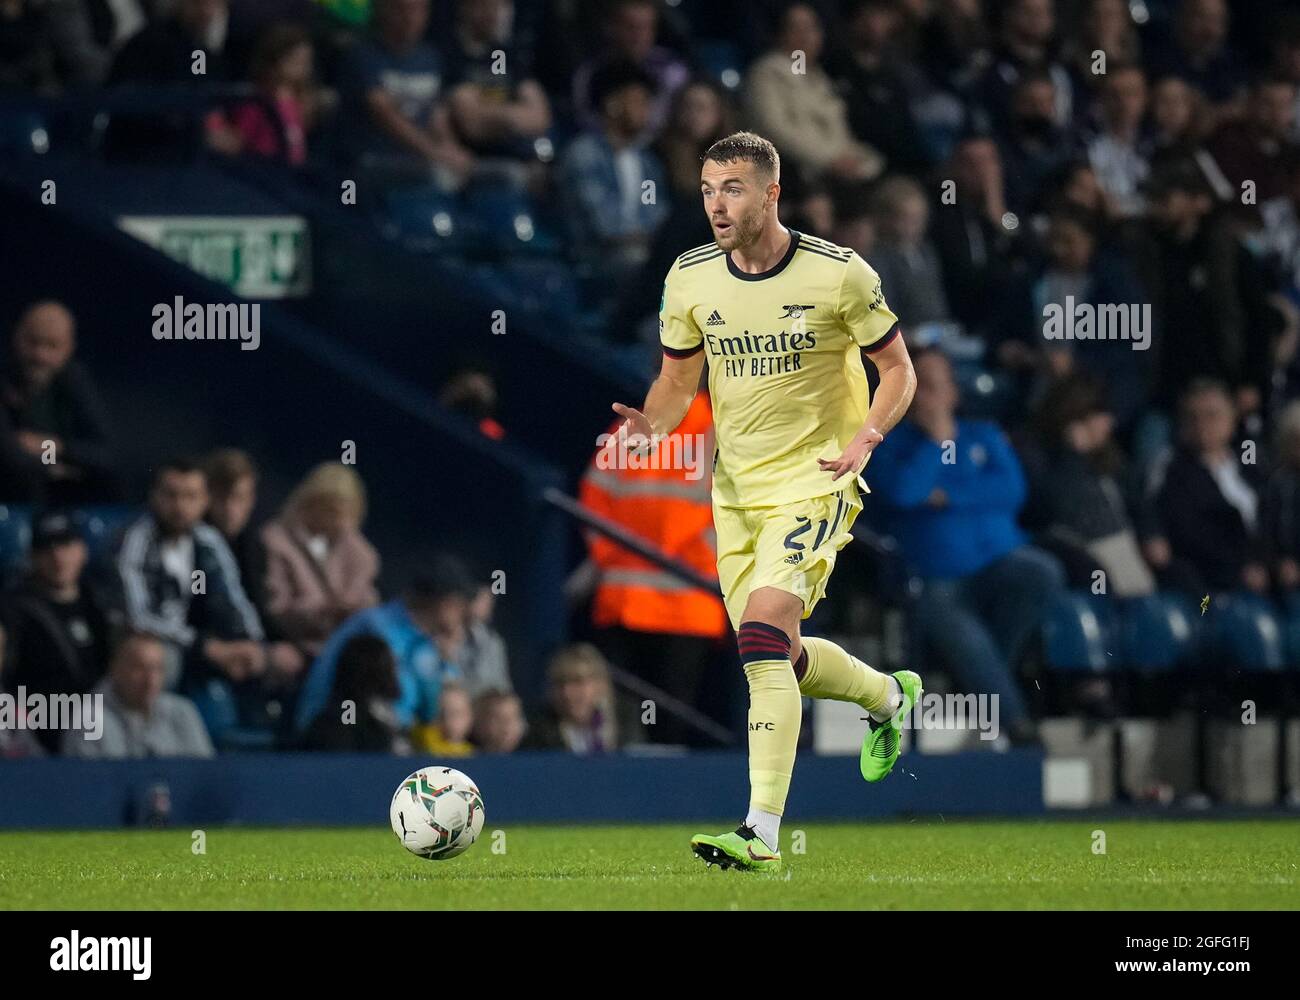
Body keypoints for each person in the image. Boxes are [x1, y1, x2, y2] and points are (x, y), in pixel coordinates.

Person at [609, 131, 919, 871]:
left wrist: (868, 436)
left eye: (734, 188)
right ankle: (886, 696)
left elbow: (899, 370)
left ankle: (761, 832)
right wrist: (653, 423)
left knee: (760, 639)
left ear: (771, 193)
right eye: (709, 188)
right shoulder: (688, 277)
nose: (717, 203)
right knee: (776, 651)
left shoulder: (840, 274)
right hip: (736, 491)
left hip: (818, 476)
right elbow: (679, 378)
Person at [868, 348, 1064, 747]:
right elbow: (905, 492)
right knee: (952, 619)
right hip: (933, 576)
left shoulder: (984, 435)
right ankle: (1017, 724)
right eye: (923, 386)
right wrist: (936, 444)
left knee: (1042, 571)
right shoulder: (888, 444)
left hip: (997, 564)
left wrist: (945, 494)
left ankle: (980, 683)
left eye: (941, 386)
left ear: (955, 392)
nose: (934, 396)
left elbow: (1010, 491)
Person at [580, 388, 725, 746]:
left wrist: (698, 558)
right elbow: (593, 497)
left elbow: (740, 509)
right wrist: (613, 555)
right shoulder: (627, 429)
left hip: (682, 602)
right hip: (639, 600)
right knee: (628, 719)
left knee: (667, 720)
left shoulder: (721, 431)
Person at [293, 558, 471, 733]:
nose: (463, 613)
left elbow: (432, 710)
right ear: (446, 604)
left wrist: (446, 660)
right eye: (461, 605)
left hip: (382, 738)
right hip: (334, 741)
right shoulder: (376, 628)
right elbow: (383, 705)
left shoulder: (429, 641)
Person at [1, 511, 112, 752]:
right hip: (38, 726)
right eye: (46, 549)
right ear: (32, 556)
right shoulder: (14, 608)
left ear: (82, 550)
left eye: (66, 545)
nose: (57, 556)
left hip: (100, 723)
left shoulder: (99, 602)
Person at [0, 301, 116, 504]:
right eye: (33, 342)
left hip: (61, 504)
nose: (40, 355)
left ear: (69, 347)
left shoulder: (74, 380)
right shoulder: (4, 377)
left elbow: (105, 455)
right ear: (16, 337)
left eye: (51, 345)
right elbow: (10, 453)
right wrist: (50, 467)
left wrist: (53, 447)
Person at [262, 462, 380, 657]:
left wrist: (359, 609)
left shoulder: (362, 556)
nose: (341, 522)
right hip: (291, 645)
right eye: (333, 511)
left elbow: (368, 601)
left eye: (347, 513)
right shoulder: (276, 542)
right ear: (311, 504)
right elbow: (275, 609)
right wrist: (324, 611)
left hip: (344, 651)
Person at [63, 632, 215, 759]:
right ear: (115, 669)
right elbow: (86, 785)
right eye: (139, 669)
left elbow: (203, 775)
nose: (150, 680)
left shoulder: (182, 711)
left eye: (157, 669)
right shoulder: (87, 720)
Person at [523, 643, 641, 754]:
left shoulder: (625, 716)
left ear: (600, 684)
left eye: (577, 681)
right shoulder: (539, 729)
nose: (567, 693)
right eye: (559, 683)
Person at [301, 633, 410, 753]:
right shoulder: (347, 713)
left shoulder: (387, 712)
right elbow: (344, 758)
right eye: (391, 665)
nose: (397, 672)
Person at [409, 681, 473, 756]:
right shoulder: (416, 747)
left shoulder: (480, 752)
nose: (448, 720)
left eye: (456, 713)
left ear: (470, 716)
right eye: (441, 714)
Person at [470, 688, 524, 753]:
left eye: (514, 717)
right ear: (478, 722)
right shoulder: (463, 755)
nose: (508, 724)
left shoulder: (532, 754)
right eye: (498, 718)